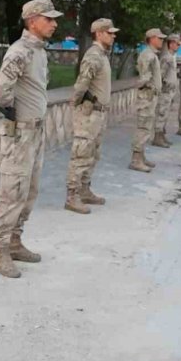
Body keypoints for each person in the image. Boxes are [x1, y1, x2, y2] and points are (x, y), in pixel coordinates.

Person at [0, 0, 62, 278]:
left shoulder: (39, 52)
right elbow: (2, 93)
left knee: (29, 191)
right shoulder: (19, 51)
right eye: (49, 19)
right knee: (12, 192)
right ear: (33, 21)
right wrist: (15, 120)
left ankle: (15, 242)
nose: (54, 24)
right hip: (20, 133)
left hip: (36, 131)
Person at [64, 18, 118, 214]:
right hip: (89, 113)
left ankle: (84, 190)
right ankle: (72, 196)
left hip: (99, 114)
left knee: (93, 154)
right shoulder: (94, 56)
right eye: (109, 32)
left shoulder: (103, 55)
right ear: (99, 33)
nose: (113, 35)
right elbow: (81, 84)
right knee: (81, 155)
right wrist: (77, 106)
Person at [129, 29, 165, 173]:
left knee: (147, 128)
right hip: (147, 97)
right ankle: (136, 159)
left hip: (151, 96)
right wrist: (149, 86)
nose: (162, 41)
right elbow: (144, 77)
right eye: (159, 38)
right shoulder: (147, 55)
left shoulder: (152, 55)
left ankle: (141, 156)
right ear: (152, 38)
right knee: (143, 128)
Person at [152, 34, 181, 148]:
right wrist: (162, 87)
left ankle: (162, 135)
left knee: (166, 114)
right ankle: (157, 137)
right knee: (161, 113)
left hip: (171, 91)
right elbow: (161, 74)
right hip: (165, 91)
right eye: (177, 44)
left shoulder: (172, 56)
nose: (178, 46)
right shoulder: (166, 57)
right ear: (172, 43)